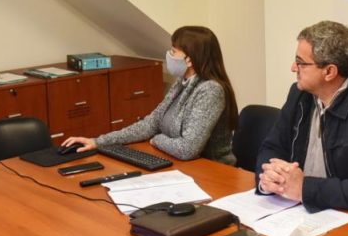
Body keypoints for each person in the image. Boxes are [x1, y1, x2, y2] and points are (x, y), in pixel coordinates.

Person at [255, 20, 348, 212]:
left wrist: (305, 189)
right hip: (297, 209)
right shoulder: (300, 94)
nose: (293, 68)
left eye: (301, 63)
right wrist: (271, 178)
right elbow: (272, 147)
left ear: (329, 72)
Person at [60, 26, 239, 164]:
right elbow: (151, 123)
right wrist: (98, 142)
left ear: (190, 60)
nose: (169, 55)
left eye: (173, 51)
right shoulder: (182, 82)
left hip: (213, 171)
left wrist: (157, 140)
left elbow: (187, 149)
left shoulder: (210, 90)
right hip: (183, 166)